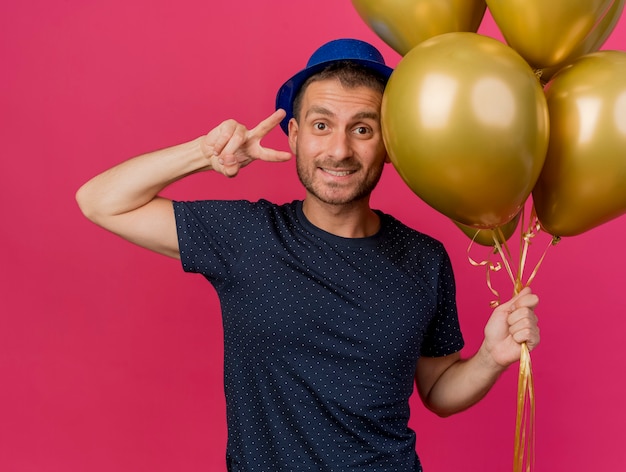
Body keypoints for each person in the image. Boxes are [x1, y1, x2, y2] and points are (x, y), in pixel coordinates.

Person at [76, 38, 539, 472]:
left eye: (363, 129)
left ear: (393, 142)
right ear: (294, 135)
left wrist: (490, 358)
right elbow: (101, 201)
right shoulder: (246, 235)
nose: (339, 150)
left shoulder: (424, 258)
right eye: (322, 126)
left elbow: (438, 391)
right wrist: (204, 153)